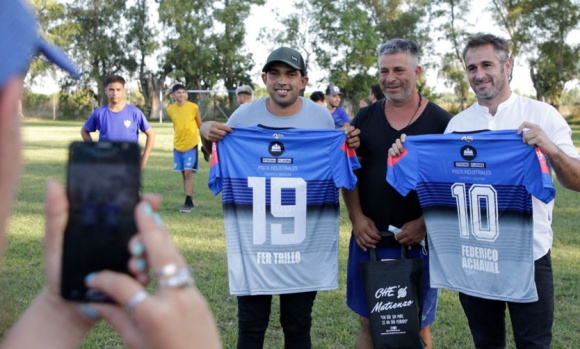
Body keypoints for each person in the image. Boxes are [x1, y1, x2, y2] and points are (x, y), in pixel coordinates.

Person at [0, 1, 221, 348]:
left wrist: (60, 311)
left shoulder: (136, 113)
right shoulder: (99, 114)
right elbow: (86, 131)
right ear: (8, 99)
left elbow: (149, 135)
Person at [416, 33, 579, 349]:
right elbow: (439, 186)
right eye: (471, 67)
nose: (478, 75)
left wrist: (552, 151)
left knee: (533, 343)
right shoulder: (457, 127)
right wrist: (404, 156)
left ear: (508, 66)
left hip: (529, 256)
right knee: (486, 342)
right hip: (474, 256)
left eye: (486, 64)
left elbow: (576, 181)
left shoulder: (543, 115)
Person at [200, 46, 360, 349]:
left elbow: (342, 169)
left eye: (290, 73)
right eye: (274, 73)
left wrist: (349, 142)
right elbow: (216, 154)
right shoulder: (242, 116)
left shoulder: (323, 121)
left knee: (298, 325)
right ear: (264, 78)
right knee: (251, 324)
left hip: (303, 245)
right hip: (254, 245)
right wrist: (204, 133)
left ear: (303, 80)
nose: (282, 80)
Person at [343, 38, 452, 349]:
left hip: (419, 241)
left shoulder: (442, 122)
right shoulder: (365, 117)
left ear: (417, 71)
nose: (390, 79)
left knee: (418, 324)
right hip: (370, 238)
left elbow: (452, 185)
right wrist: (356, 216)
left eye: (399, 70)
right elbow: (349, 170)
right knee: (368, 322)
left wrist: (424, 223)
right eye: (383, 71)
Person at [80, 75, 156, 171]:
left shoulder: (134, 112)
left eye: (118, 89)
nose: (115, 93)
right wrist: (95, 150)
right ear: (106, 91)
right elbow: (84, 131)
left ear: (124, 91)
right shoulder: (99, 113)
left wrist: (143, 160)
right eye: (111, 89)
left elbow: (151, 134)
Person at [167, 83, 203, 213]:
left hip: (191, 144)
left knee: (188, 172)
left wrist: (205, 143)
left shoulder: (193, 107)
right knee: (183, 173)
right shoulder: (170, 109)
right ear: (173, 95)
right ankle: (190, 199)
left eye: (183, 92)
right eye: (178, 92)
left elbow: (200, 125)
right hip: (178, 145)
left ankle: (187, 201)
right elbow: (176, 125)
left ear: (186, 94)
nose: (181, 94)